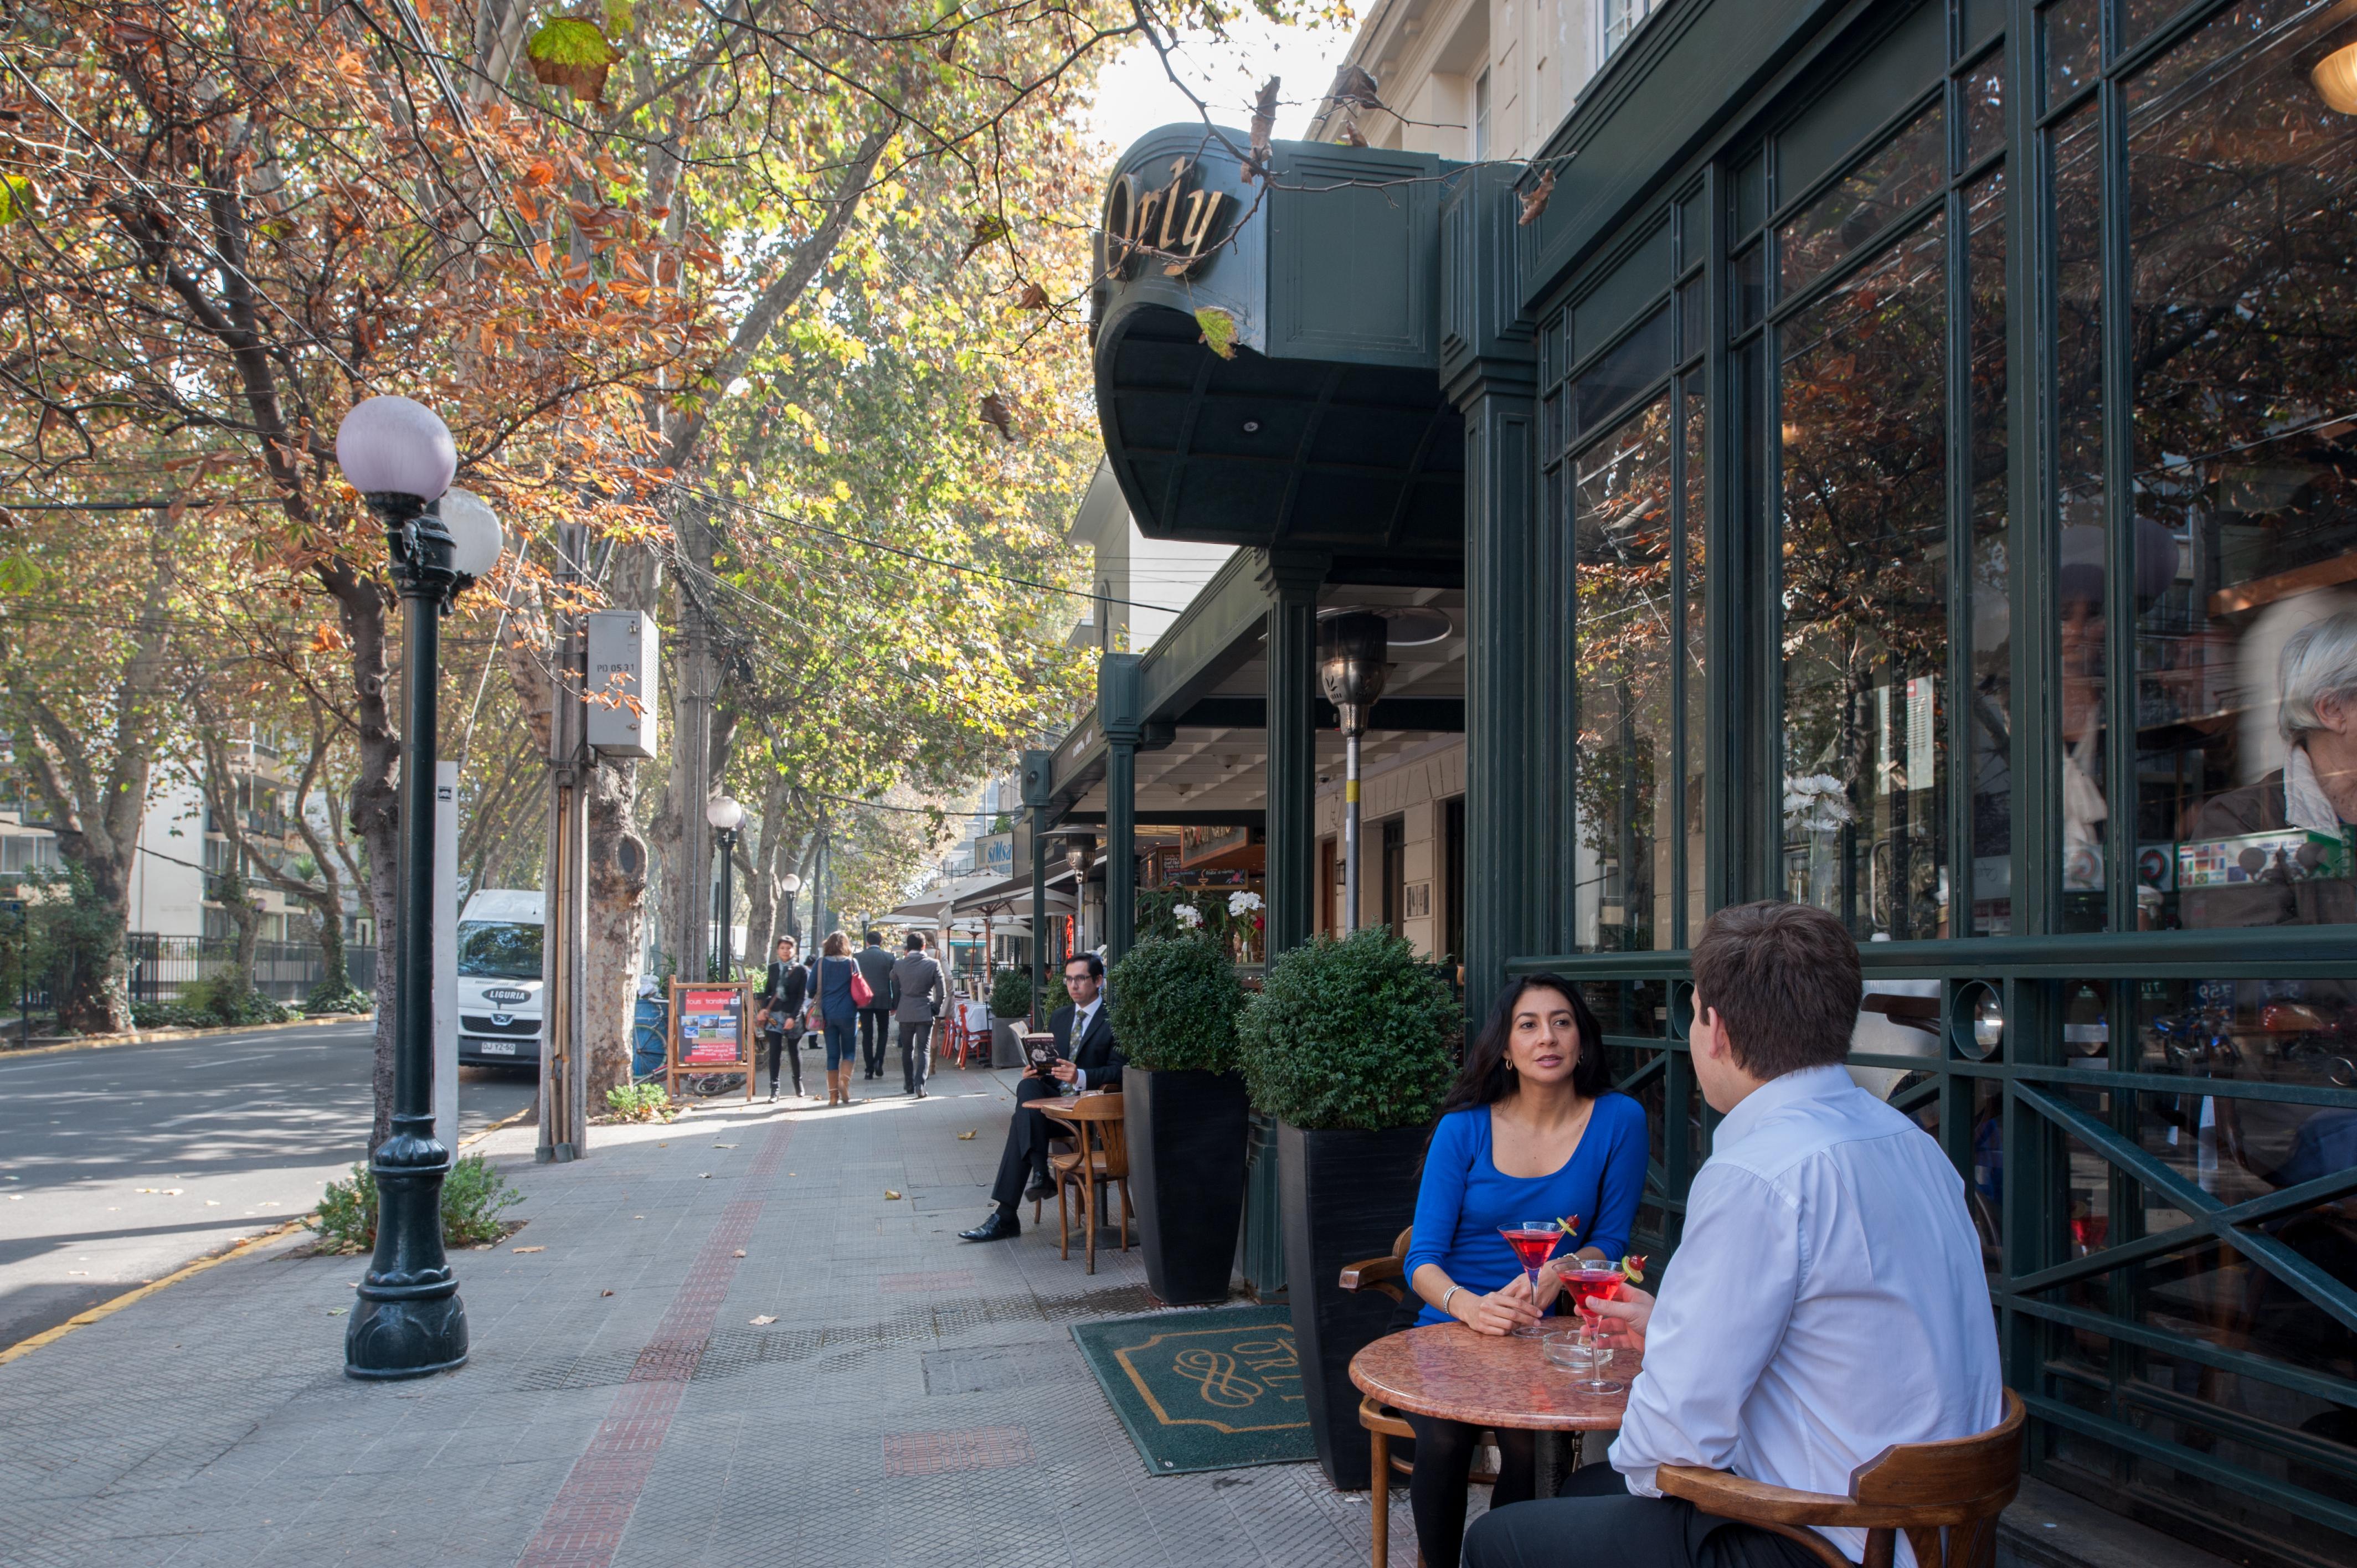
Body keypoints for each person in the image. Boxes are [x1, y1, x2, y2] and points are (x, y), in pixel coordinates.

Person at [1464, 901, 2003, 1568]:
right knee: (1581, 1488)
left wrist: (1671, 1370)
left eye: (1692, 1014)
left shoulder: (1759, 1174)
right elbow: (1847, 1338)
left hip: (1825, 1540)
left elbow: (1669, 1446)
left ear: (1712, 1029)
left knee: (1497, 1541)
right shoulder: (1912, 1146)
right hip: (1941, 1535)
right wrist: (1671, 1328)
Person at [1397, 976, 1648, 1568]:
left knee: (1524, 1440)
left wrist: (1561, 1268)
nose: (1547, 1037)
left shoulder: (1619, 1120)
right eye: (1528, 1025)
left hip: (1544, 1330)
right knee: (1443, 1434)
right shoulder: (1464, 1128)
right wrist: (1471, 1307)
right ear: (1505, 1049)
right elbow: (1421, 1259)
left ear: (1582, 1042)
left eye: (1562, 1022)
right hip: (1450, 1324)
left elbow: (1610, 1240)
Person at [959, 952, 1122, 1242]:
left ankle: (1007, 1214)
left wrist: (1080, 1075)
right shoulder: (1060, 1016)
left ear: (1098, 981)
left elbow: (1121, 1070)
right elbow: (1051, 1068)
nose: (1074, 986)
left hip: (1092, 1109)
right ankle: (1037, 1175)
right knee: (1027, 1089)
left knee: (1020, 1121)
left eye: (1081, 979)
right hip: (1057, 1108)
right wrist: (1037, 1071)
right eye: (1069, 979)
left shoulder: (1115, 1019)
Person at [889, 932, 949, 1097]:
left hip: (905, 1012)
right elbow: (942, 992)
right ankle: (920, 1086)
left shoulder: (899, 964)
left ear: (907, 948)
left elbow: (892, 978)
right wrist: (935, 1009)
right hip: (924, 1012)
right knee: (924, 1050)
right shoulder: (933, 964)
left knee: (907, 1050)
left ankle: (908, 1084)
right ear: (924, 946)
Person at [814, 931, 864, 1107]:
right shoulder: (852, 963)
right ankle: (844, 1081)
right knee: (849, 1051)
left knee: (832, 1055)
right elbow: (860, 985)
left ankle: (833, 1096)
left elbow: (810, 987)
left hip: (827, 1015)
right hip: (849, 1014)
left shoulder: (820, 964)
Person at [755, 936, 807, 1101]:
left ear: (794, 950)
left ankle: (798, 1083)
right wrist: (764, 1008)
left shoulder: (801, 970)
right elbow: (768, 991)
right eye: (782, 948)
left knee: (794, 1050)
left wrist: (794, 1017)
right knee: (775, 1051)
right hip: (775, 1015)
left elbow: (802, 997)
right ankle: (774, 1089)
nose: (786, 951)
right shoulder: (773, 968)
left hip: (793, 1015)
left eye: (789, 948)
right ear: (778, 950)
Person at [855, 929, 897, 1081]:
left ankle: (869, 1069)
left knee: (867, 1035)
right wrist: (895, 1003)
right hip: (883, 999)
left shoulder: (858, 957)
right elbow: (895, 981)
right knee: (884, 1031)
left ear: (867, 942)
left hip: (864, 1000)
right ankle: (879, 1060)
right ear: (881, 942)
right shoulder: (889, 957)